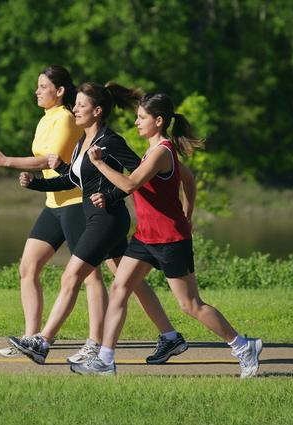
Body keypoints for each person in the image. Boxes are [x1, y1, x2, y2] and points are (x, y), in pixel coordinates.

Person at [71, 92, 263, 378]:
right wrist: (188, 210)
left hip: (170, 239)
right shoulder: (152, 151)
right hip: (145, 237)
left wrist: (99, 163)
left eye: (142, 118)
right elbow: (188, 179)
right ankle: (106, 360)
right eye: (137, 116)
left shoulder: (161, 151)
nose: (136, 122)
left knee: (190, 305)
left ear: (158, 121)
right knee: (119, 288)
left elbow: (131, 183)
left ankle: (243, 346)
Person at [8, 82, 191, 365]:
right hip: (99, 217)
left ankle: (42, 342)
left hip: (107, 220)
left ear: (97, 111)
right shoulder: (84, 140)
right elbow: (74, 179)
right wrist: (35, 184)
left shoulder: (110, 141)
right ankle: (170, 336)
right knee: (130, 281)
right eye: (75, 104)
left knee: (71, 276)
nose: (75, 109)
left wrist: (111, 194)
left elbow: (137, 176)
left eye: (81, 105)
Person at [0, 65, 112, 362]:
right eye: (38, 86)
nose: (37, 91)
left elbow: (47, 159)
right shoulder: (46, 120)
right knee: (28, 268)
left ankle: (96, 342)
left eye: (43, 86)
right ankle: (31, 337)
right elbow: (45, 162)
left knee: (90, 275)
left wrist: (7, 161)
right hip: (53, 205)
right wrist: (35, 181)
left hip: (74, 204)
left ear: (60, 91)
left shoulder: (67, 119)